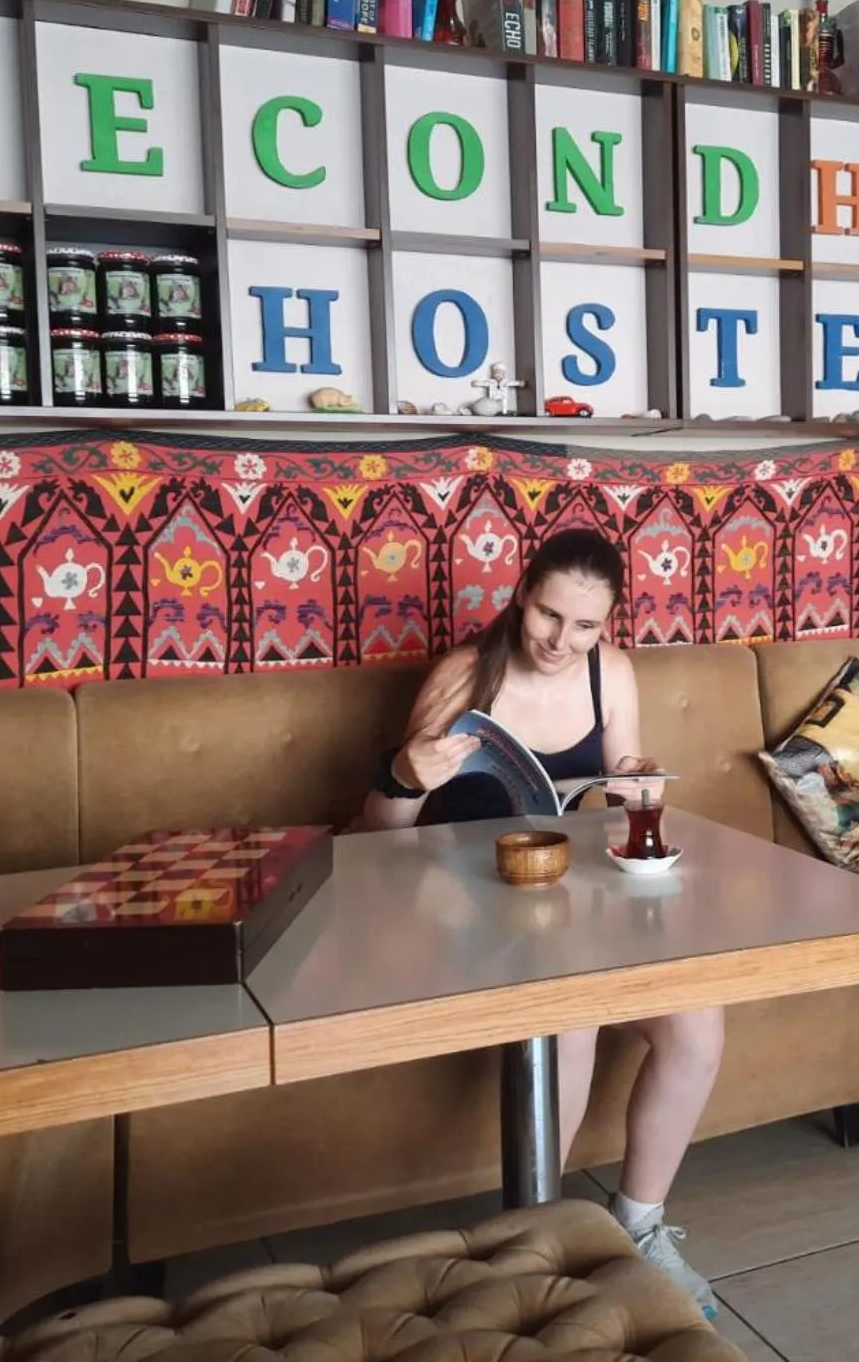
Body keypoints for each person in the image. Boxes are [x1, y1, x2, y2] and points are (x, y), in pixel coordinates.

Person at [361, 527, 726, 1317]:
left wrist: (634, 782)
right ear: (522, 592)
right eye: (549, 616)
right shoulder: (464, 674)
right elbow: (377, 840)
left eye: (586, 626)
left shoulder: (611, 674)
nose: (563, 641)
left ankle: (639, 1231)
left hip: (571, 903)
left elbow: (625, 784)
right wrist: (400, 774)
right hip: (457, 909)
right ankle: (534, 1250)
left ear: (609, 623)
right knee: (571, 1018)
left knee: (698, 1021)